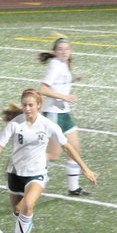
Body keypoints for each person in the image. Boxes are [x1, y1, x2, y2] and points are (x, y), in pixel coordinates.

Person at [0, 89, 97, 233]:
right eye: (25, 105)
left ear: (39, 105)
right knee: (17, 210)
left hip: (37, 173)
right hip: (15, 172)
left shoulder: (48, 125)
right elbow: (0, 143)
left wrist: (85, 168)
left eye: (31, 105)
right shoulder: (15, 124)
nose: (27, 108)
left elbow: (67, 147)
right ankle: (27, 227)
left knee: (28, 205)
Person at [37, 34, 91, 196]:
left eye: (67, 49)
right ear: (55, 51)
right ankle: (22, 164)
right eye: (60, 49)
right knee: (54, 155)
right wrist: (65, 97)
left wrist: (72, 80)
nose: (64, 51)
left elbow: (59, 83)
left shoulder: (63, 64)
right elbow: (43, 89)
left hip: (64, 113)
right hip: (53, 114)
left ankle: (74, 188)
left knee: (74, 150)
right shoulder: (55, 65)